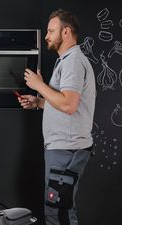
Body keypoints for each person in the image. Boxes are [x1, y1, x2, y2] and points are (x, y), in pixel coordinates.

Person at [17, 9, 96, 225]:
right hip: (63, 147)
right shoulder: (66, 61)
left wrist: (39, 86)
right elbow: (64, 102)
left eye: (51, 31)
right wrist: (39, 102)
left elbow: (69, 105)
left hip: (67, 149)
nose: (46, 36)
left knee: (58, 211)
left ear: (66, 32)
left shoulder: (72, 62)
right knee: (59, 208)